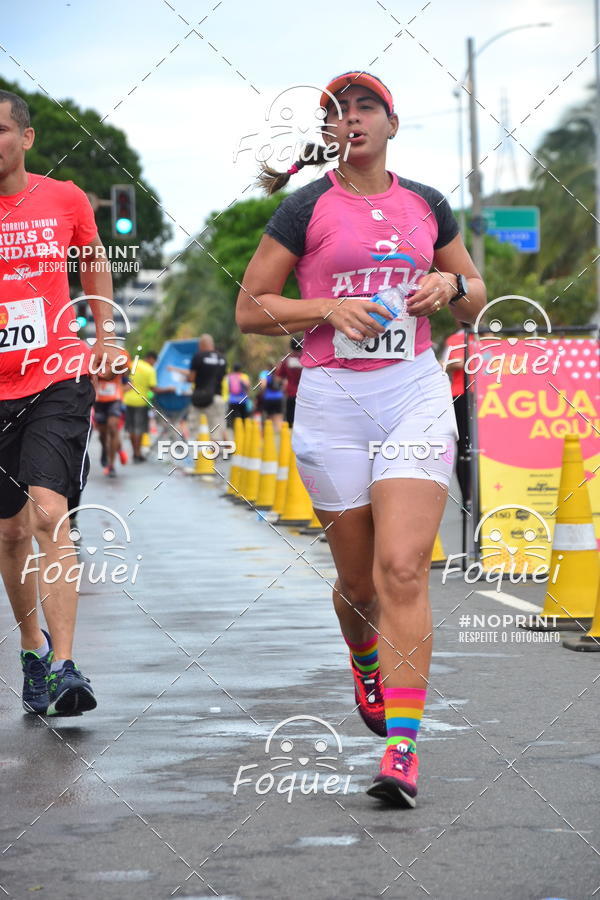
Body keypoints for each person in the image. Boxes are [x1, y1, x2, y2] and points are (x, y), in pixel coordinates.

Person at [236, 71, 486, 808]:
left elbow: (474, 293)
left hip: (412, 392)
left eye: (366, 106)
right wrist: (326, 310)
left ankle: (403, 751)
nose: (353, 118)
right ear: (328, 134)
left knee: (403, 567)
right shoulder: (306, 208)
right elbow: (251, 308)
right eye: (339, 111)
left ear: (391, 123)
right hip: (333, 402)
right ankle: (364, 657)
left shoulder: (427, 205)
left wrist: (448, 289)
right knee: (357, 585)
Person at [0, 90, 124, 716]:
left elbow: (93, 256)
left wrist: (103, 333)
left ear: (25, 137)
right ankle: (31, 648)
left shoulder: (65, 197)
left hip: (56, 374)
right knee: (9, 533)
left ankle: (67, 666)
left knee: (50, 515)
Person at [169, 334, 227, 440]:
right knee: (216, 432)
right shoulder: (222, 359)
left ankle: (196, 453)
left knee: (194, 430)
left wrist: (183, 379)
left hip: (199, 398)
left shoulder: (198, 356)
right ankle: (216, 455)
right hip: (217, 397)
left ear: (202, 344)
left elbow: (191, 378)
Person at [122, 350, 172, 461]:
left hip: (128, 400)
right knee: (139, 429)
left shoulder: (133, 364)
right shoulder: (150, 370)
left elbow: (124, 377)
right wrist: (169, 389)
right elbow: (154, 389)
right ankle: (137, 453)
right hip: (141, 402)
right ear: (151, 359)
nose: (154, 364)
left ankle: (135, 453)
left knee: (131, 428)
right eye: (154, 362)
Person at [441, 328, 470, 505]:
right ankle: (467, 497)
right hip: (462, 394)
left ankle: (475, 496)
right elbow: (447, 363)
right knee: (465, 449)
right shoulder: (457, 338)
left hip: (489, 396)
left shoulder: (489, 336)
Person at [94, 359, 129, 477]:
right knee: (102, 434)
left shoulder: (120, 358)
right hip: (99, 401)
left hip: (115, 400)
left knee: (113, 428)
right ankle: (105, 449)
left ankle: (111, 465)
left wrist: (119, 390)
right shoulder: (96, 356)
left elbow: (128, 382)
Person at [276, 337, 303, 426]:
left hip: (290, 393)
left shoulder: (286, 360)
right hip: (304, 394)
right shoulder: (307, 359)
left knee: (290, 420)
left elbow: (278, 378)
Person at [258, 364, 284, 432]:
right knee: (278, 416)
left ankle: (269, 433)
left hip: (268, 398)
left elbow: (263, 385)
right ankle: (278, 433)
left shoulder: (265, 373)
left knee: (268, 416)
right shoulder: (279, 374)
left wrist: (261, 393)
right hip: (279, 397)